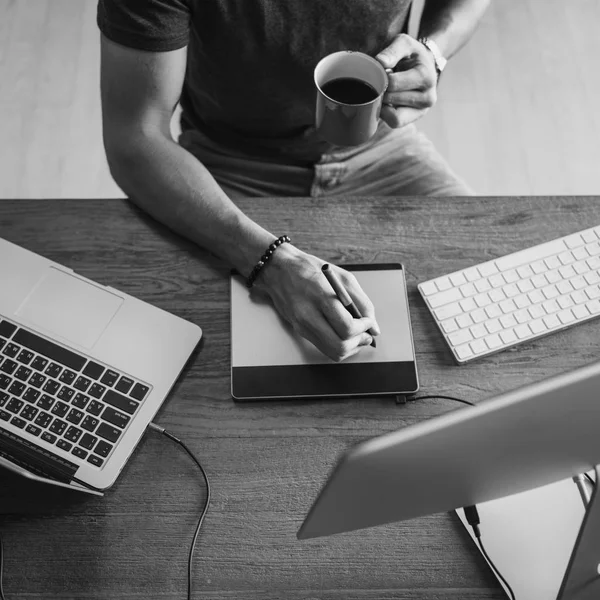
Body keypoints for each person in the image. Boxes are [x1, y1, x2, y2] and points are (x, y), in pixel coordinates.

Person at [97, 0, 490, 361]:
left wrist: (434, 49)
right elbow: (134, 138)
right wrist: (269, 262)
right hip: (228, 162)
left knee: (484, 301)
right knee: (192, 356)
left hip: (383, 145)